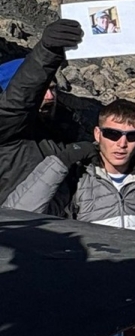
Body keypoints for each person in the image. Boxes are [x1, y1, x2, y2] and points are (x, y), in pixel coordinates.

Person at [3, 99, 135, 232]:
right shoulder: (80, 177)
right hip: (93, 273)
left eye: (132, 136)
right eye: (112, 134)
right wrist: (60, 161)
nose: (122, 144)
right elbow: (19, 215)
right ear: (97, 134)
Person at [0, 20, 85, 204]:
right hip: (21, 228)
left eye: (52, 89)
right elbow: (18, 100)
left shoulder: (60, 131)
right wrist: (48, 52)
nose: (49, 96)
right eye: (42, 90)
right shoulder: (7, 128)